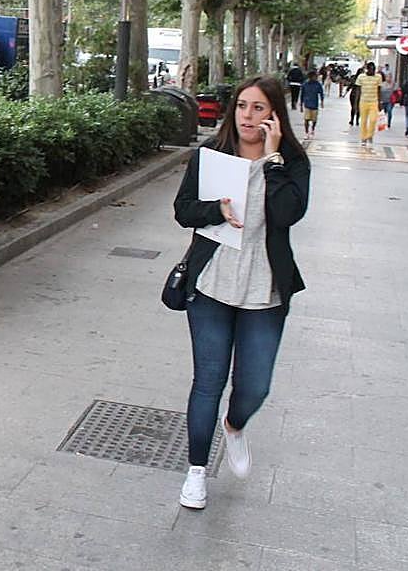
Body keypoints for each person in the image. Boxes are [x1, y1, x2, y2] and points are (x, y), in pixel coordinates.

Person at [172, 76, 310, 510]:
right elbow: (183, 210)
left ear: (275, 116)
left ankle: (234, 425)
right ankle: (196, 471)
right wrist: (215, 210)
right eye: (243, 106)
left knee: (255, 386)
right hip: (212, 284)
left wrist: (273, 159)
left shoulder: (291, 162)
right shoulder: (211, 154)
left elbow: (288, 214)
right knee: (207, 382)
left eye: (259, 108)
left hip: (264, 290)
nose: (248, 116)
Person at [356, 61, 383, 146]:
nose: (373, 71)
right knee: (363, 121)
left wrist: (380, 102)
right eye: (371, 69)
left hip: (374, 102)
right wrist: (356, 103)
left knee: (373, 120)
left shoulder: (378, 77)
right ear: (367, 69)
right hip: (363, 101)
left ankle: (370, 135)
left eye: (374, 69)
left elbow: (379, 90)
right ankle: (364, 138)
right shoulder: (361, 77)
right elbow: (358, 91)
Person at [300, 70, 323, 138]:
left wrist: (322, 101)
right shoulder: (305, 84)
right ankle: (306, 132)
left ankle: (312, 129)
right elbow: (302, 95)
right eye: (315, 76)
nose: (316, 77)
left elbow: (321, 93)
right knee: (306, 119)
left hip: (315, 104)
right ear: (310, 77)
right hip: (307, 104)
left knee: (314, 120)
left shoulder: (318, 84)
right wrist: (301, 104)